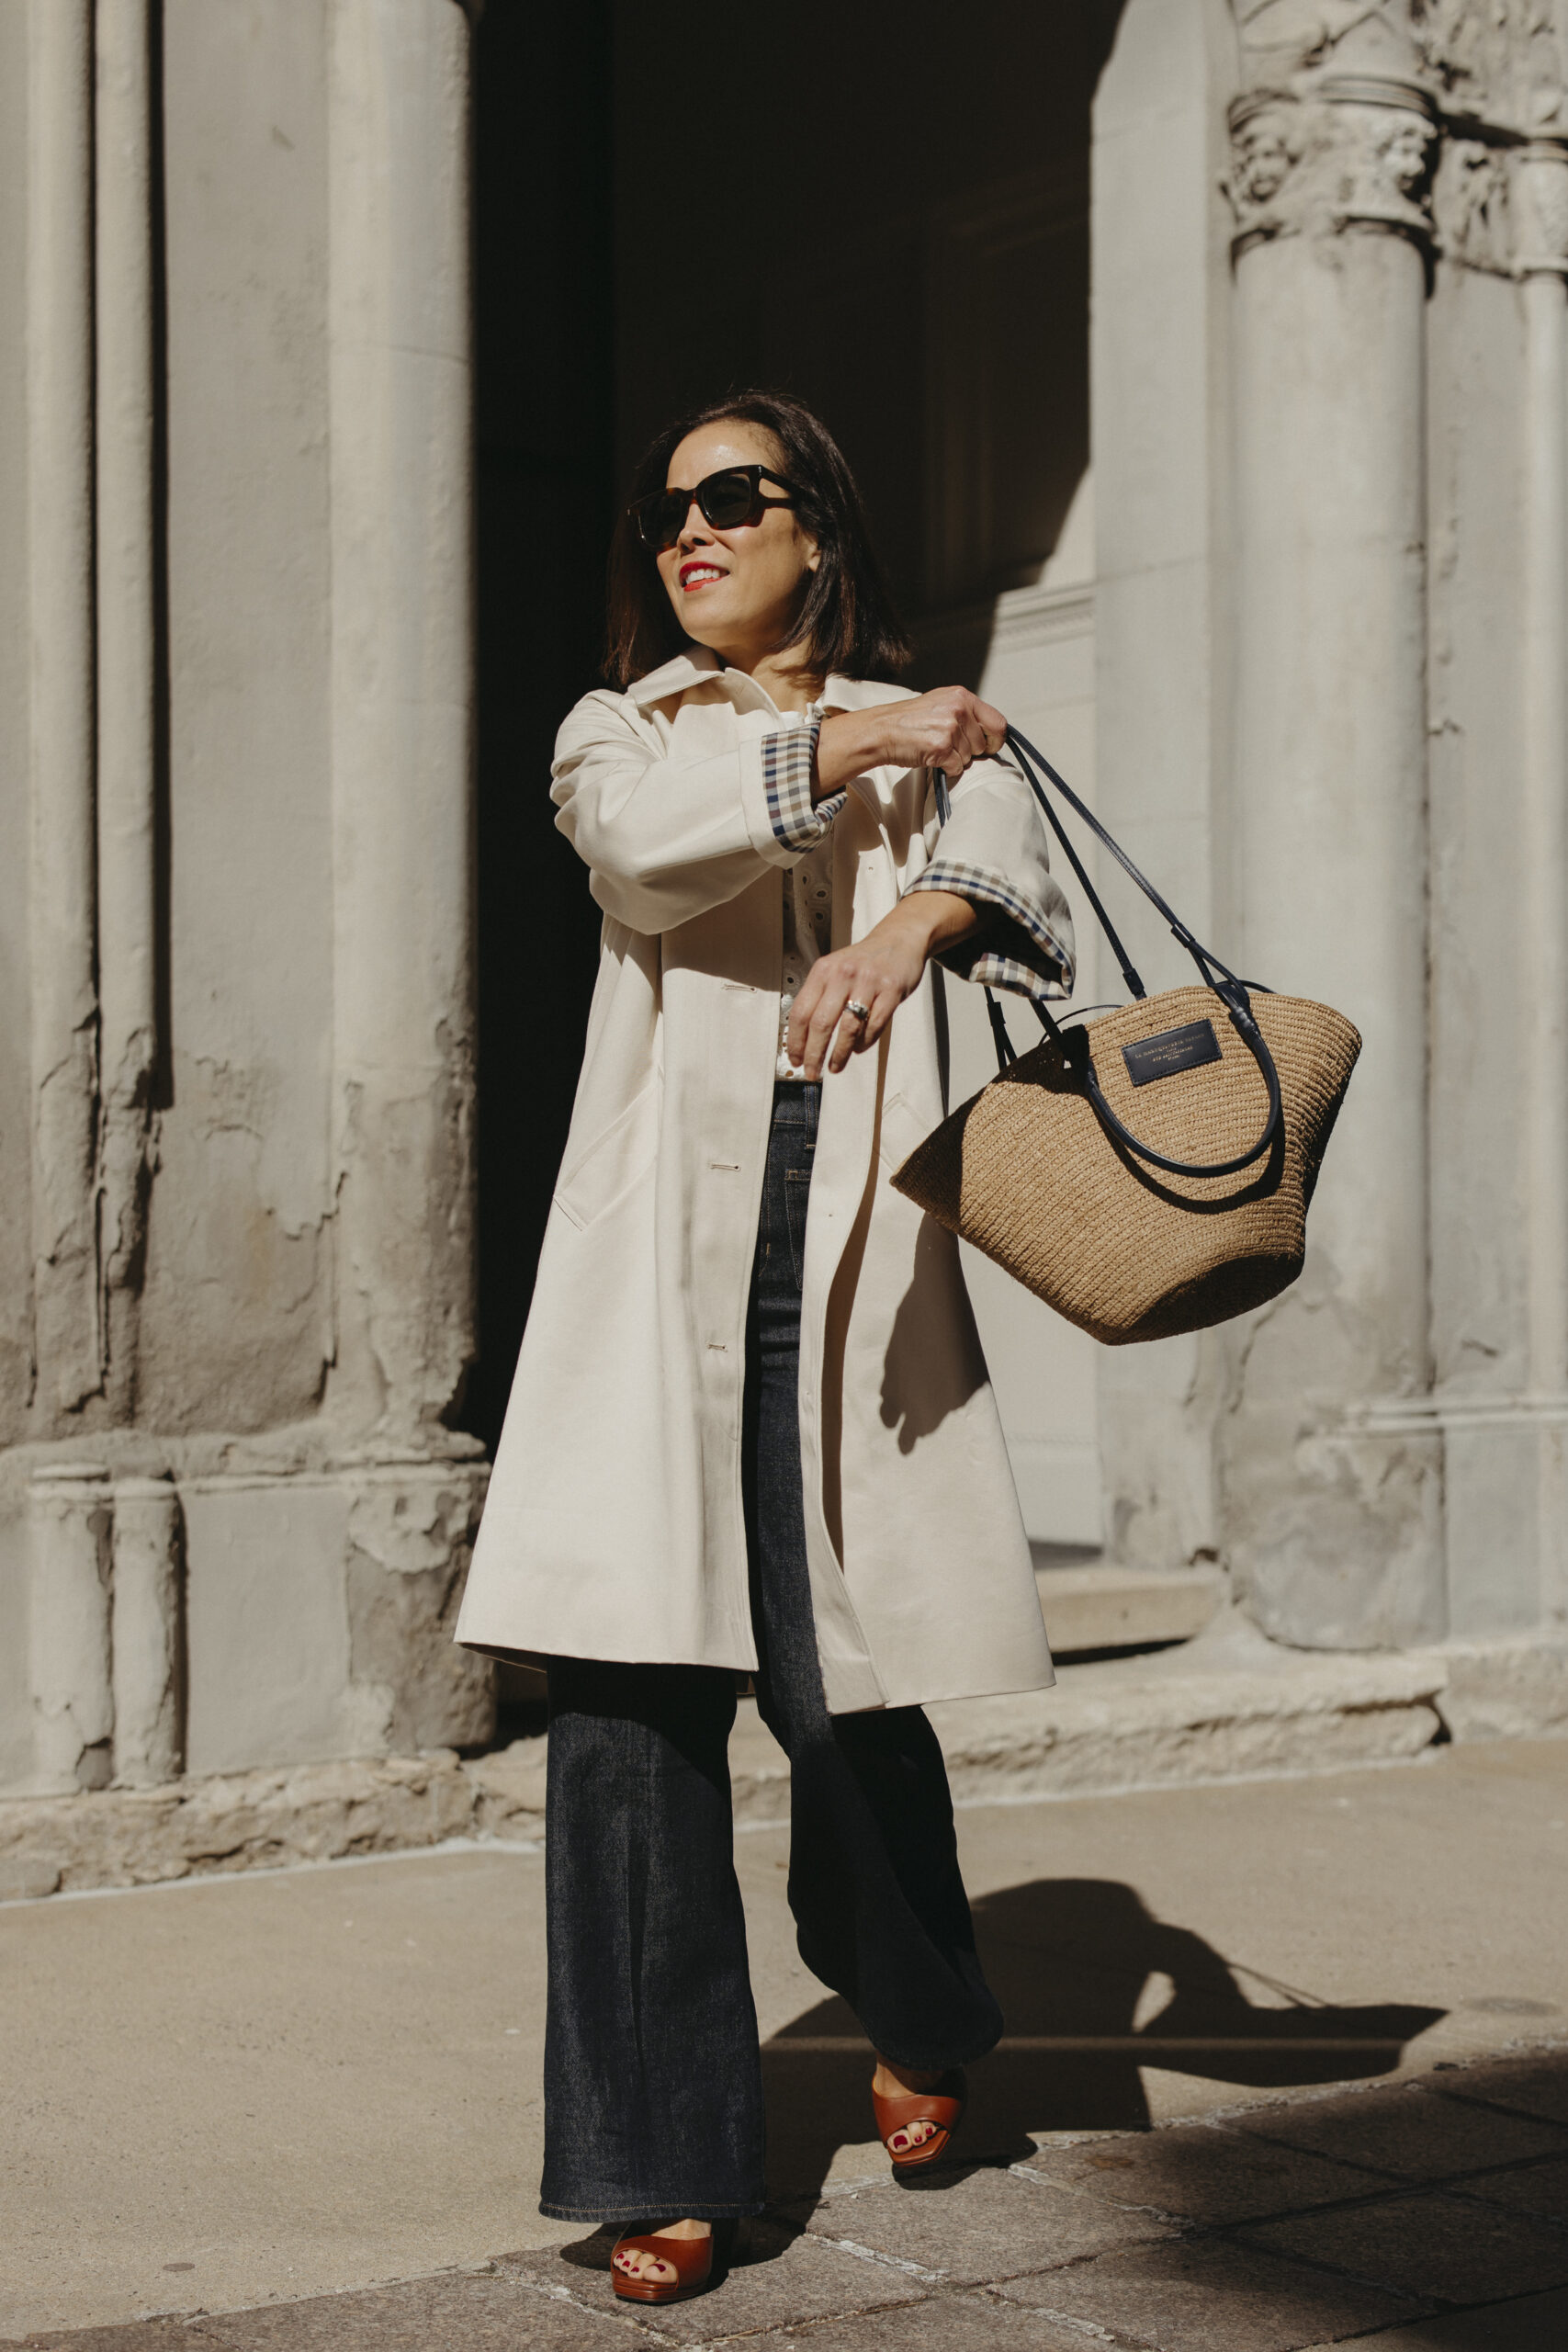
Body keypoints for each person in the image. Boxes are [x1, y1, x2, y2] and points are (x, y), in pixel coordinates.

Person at [455, 389, 1076, 2305]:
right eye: (666, 514)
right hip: (658, 1290)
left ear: (820, 526)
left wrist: (914, 925)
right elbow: (646, 858)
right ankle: (661, 2150)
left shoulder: (934, 738)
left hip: (853, 1274)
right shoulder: (616, 732)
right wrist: (857, 739)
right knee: (631, 1713)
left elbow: (1011, 852)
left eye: (737, 497)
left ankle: (919, 2004)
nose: (692, 531)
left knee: (848, 1693)